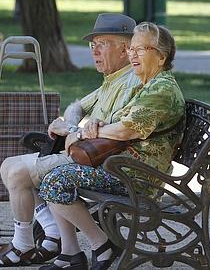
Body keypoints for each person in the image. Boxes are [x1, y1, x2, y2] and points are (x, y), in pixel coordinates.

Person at [0, 13, 141, 267]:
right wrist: (71, 125)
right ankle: (53, 235)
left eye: (103, 44)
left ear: (125, 49)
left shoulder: (130, 81)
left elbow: (112, 131)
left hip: (98, 160)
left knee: (18, 172)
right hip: (83, 153)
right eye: (92, 45)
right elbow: (76, 106)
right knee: (8, 165)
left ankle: (25, 245)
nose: (95, 51)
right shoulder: (111, 80)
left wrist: (73, 133)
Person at [37, 22, 186, 270]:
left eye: (142, 49)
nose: (133, 55)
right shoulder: (147, 84)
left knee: (56, 180)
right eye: (132, 49)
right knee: (53, 177)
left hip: (138, 176)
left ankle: (101, 245)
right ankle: (70, 253)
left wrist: (82, 133)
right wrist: (91, 126)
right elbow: (118, 122)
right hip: (122, 167)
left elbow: (126, 129)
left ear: (161, 57)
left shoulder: (162, 90)